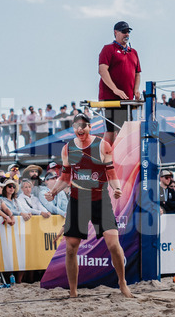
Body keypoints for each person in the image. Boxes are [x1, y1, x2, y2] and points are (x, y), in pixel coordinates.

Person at [44, 112, 133, 299]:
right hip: (78, 200)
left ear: (90, 127)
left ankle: (122, 283)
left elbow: (111, 174)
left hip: (100, 199)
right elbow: (65, 178)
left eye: (83, 125)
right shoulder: (68, 149)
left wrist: (117, 189)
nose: (80, 129)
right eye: (76, 126)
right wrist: (53, 192)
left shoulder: (102, 145)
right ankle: (73, 291)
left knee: (113, 244)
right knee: (71, 247)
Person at [98, 21, 142, 145]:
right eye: (123, 31)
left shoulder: (133, 52)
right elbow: (102, 70)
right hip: (111, 97)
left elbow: (137, 73)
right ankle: (107, 159)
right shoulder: (108, 49)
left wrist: (136, 90)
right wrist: (114, 89)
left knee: (127, 129)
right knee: (111, 130)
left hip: (127, 98)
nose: (126, 34)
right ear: (115, 32)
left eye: (128, 31)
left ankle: (124, 157)